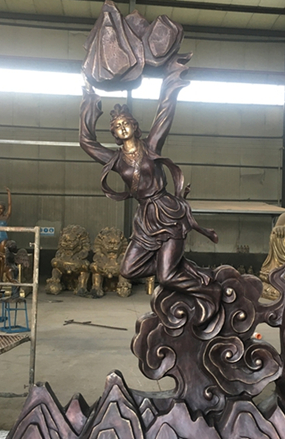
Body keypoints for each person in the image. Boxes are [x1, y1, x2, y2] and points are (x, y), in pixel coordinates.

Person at [79, 54, 220, 311]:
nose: (122, 128)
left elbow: (165, 110)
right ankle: (182, 267)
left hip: (167, 212)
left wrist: (170, 78)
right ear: (114, 133)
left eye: (125, 123)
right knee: (128, 269)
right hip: (145, 219)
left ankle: (209, 292)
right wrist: (89, 101)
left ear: (134, 126)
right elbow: (86, 142)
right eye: (117, 126)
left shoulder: (151, 146)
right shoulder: (115, 159)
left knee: (165, 277)